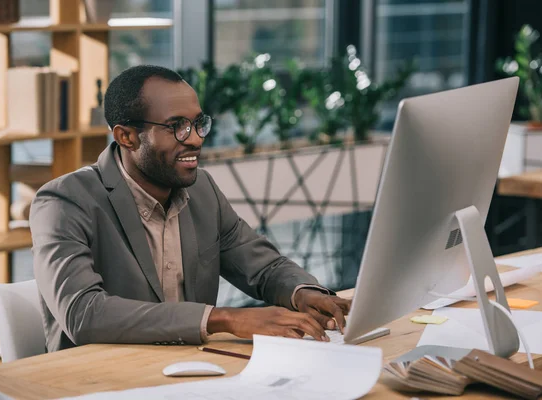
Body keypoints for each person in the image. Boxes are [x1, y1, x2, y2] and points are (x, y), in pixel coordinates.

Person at [30, 65, 351, 352]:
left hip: (191, 371)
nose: (196, 139)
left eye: (199, 123)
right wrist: (223, 318)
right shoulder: (63, 201)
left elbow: (264, 268)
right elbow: (83, 313)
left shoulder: (201, 190)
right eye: (177, 126)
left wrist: (304, 293)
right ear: (126, 137)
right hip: (96, 381)